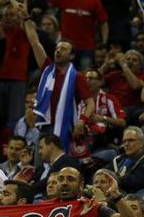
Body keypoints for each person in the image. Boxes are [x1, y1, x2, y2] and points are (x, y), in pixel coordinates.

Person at [23, 19, 94, 154]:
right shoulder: (47, 69)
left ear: (72, 55)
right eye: (57, 48)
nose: (58, 51)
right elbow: (35, 43)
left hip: (66, 126)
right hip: (45, 125)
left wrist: (82, 121)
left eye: (63, 49)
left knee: (60, 162)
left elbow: (90, 103)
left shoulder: (77, 76)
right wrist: (26, 19)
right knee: (40, 163)